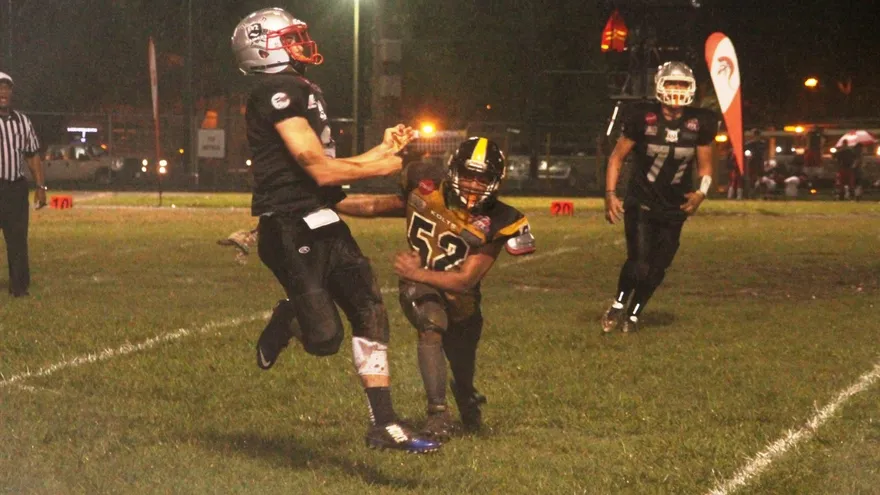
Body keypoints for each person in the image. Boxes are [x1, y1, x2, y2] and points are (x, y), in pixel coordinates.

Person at [231, 7, 439, 454]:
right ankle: (289, 317)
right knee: (324, 340)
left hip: (324, 219)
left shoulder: (300, 87)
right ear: (263, 47)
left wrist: (380, 152)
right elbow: (315, 168)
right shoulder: (277, 88)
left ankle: (383, 423)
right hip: (288, 225)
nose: (300, 42)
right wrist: (382, 166)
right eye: (289, 37)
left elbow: (328, 176)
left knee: (370, 309)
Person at [333, 137, 536, 442]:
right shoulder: (424, 187)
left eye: (482, 178)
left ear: (496, 182)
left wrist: (418, 271)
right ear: (453, 170)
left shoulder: (503, 219)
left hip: (462, 298)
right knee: (431, 325)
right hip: (420, 284)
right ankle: (437, 414)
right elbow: (376, 205)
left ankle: (466, 398)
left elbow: (465, 280)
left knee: (463, 366)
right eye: (468, 175)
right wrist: (328, 201)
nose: (473, 184)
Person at [602, 61, 717, 333]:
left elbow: (706, 167)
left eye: (682, 84)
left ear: (691, 89)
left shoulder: (700, 122)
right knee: (640, 263)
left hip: (675, 206)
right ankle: (619, 303)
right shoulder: (643, 117)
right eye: (671, 83)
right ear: (659, 86)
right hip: (641, 201)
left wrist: (702, 192)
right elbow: (617, 157)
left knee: (658, 268)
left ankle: (634, 313)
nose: (676, 90)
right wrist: (610, 194)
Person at [0, 71, 47, 298]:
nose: (3, 92)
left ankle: (19, 287)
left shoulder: (23, 121)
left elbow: (32, 155)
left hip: (15, 188)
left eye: (7, 88)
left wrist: (40, 186)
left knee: (18, 239)